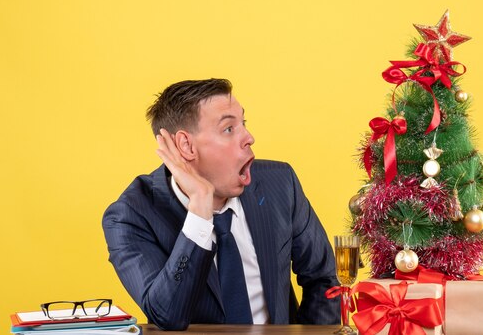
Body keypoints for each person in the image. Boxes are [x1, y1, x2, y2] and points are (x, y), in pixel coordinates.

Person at [102, 78, 340, 330]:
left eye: (243, 124)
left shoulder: (280, 184)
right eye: (229, 129)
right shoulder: (130, 215)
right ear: (186, 145)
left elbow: (323, 280)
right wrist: (200, 212)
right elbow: (166, 315)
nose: (249, 138)